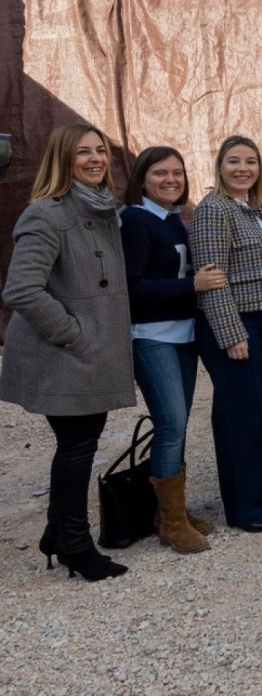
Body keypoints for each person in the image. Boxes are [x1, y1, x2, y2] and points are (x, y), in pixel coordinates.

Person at [1, 123, 136, 580]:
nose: (96, 159)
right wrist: (74, 333)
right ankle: (75, 545)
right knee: (77, 447)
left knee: (80, 443)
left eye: (100, 150)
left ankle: (57, 532)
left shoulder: (103, 208)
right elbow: (21, 289)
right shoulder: (47, 214)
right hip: (63, 352)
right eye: (83, 152)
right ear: (63, 159)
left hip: (87, 352)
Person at [120, 145, 222, 555]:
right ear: (142, 178)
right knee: (171, 423)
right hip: (152, 336)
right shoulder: (134, 220)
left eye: (177, 172)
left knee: (177, 425)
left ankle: (171, 514)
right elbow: (132, 287)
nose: (171, 179)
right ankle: (173, 524)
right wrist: (190, 286)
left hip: (183, 335)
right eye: (160, 173)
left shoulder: (174, 219)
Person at [190, 135, 262, 533]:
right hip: (237, 322)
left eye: (250, 161)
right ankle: (246, 507)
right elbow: (212, 280)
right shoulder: (214, 210)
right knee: (242, 416)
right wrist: (231, 334)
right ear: (220, 166)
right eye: (234, 161)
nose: (243, 168)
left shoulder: (250, 208)